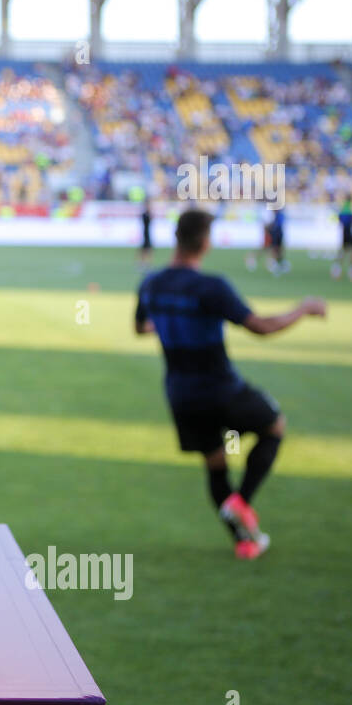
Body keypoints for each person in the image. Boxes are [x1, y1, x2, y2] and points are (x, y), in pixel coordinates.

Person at [134, 209, 327, 559]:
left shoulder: (152, 283)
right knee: (273, 425)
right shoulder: (210, 286)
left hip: (180, 394)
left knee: (215, 462)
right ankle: (242, 502)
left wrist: (173, 322)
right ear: (205, 242)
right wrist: (304, 309)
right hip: (220, 388)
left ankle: (245, 542)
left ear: (177, 237)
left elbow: (141, 327)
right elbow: (260, 327)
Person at [331, 197, 352, 279]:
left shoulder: (343, 209)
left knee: (343, 251)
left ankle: (337, 267)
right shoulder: (350, 209)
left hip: (344, 233)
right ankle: (351, 269)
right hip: (349, 233)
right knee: (350, 251)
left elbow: (340, 219)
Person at [138, 198, 153, 270]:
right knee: (145, 249)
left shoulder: (148, 214)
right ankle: (142, 263)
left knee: (148, 249)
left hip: (148, 233)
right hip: (145, 233)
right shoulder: (144, 214)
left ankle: (146, 263)